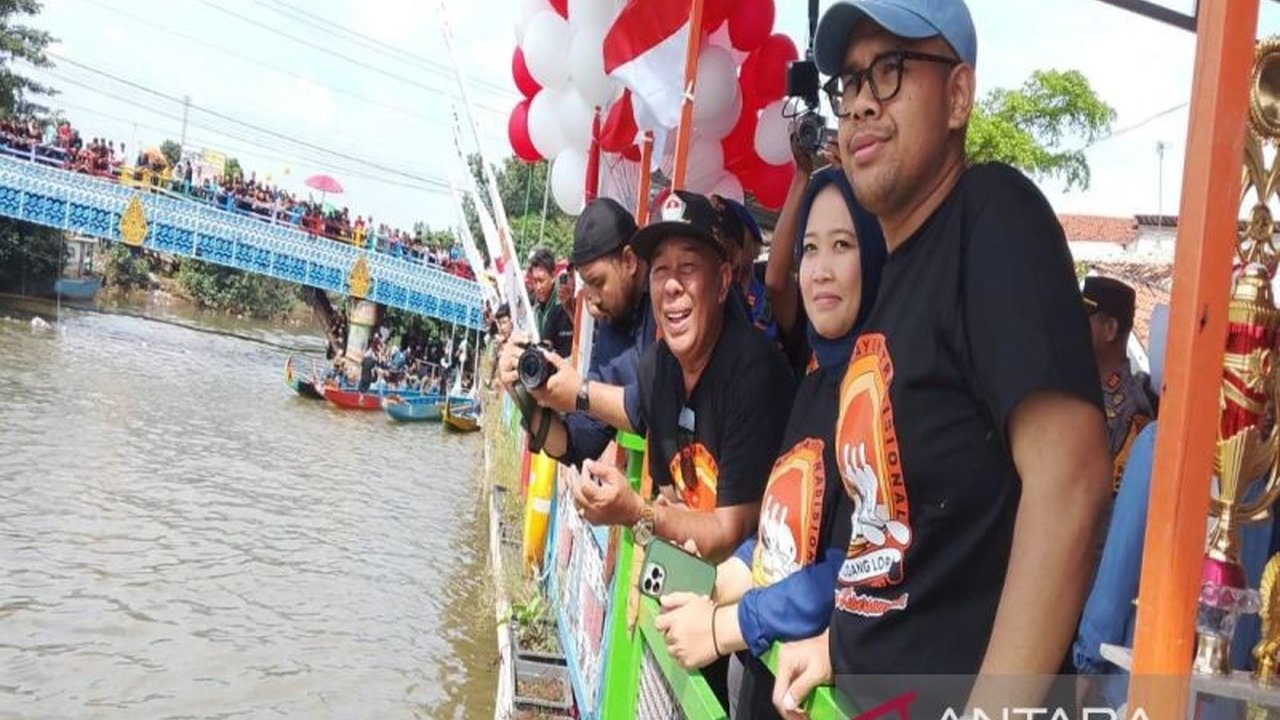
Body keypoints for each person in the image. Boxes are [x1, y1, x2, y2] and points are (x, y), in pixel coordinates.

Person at [771, 2, 1111, 718]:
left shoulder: (992, 216)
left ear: (958, 96)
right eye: (850, 82)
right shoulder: (895, 281)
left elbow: (1071, 484)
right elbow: (915, 551)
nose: (861, 100)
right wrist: (838, 643)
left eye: (890, 70)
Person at [654, 169, 887, 720]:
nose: (821, 269)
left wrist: (726, 624)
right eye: (809, 248)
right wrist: (718, 586)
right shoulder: (813, 377)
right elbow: (780, 531)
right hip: (757, 674)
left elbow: (852, 568)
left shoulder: (880, 391)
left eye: (843, 245)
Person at [570, 190, 796, 565]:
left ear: (723, 282)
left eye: (688, 268)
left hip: (752, 597)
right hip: (693, 585)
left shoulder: (755, 372)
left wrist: (635, 513)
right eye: (660, 270)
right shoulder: (656, 369)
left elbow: (729, 533)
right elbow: (671, 498)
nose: (672, 285)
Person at [496, 197, 657, 468]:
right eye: (586, 285)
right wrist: (524, 395)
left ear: (629, 260)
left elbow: (655, 405)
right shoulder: (612, 325)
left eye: (597, 282)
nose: (591, 301)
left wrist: (582, 394)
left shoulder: (668, 308)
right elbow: (579, 444)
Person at [1082, 276, 1157, 492]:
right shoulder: (1083, 388)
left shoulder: (1131, 407)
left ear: (1109, 329)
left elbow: (1120, 498)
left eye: (1084, 320)